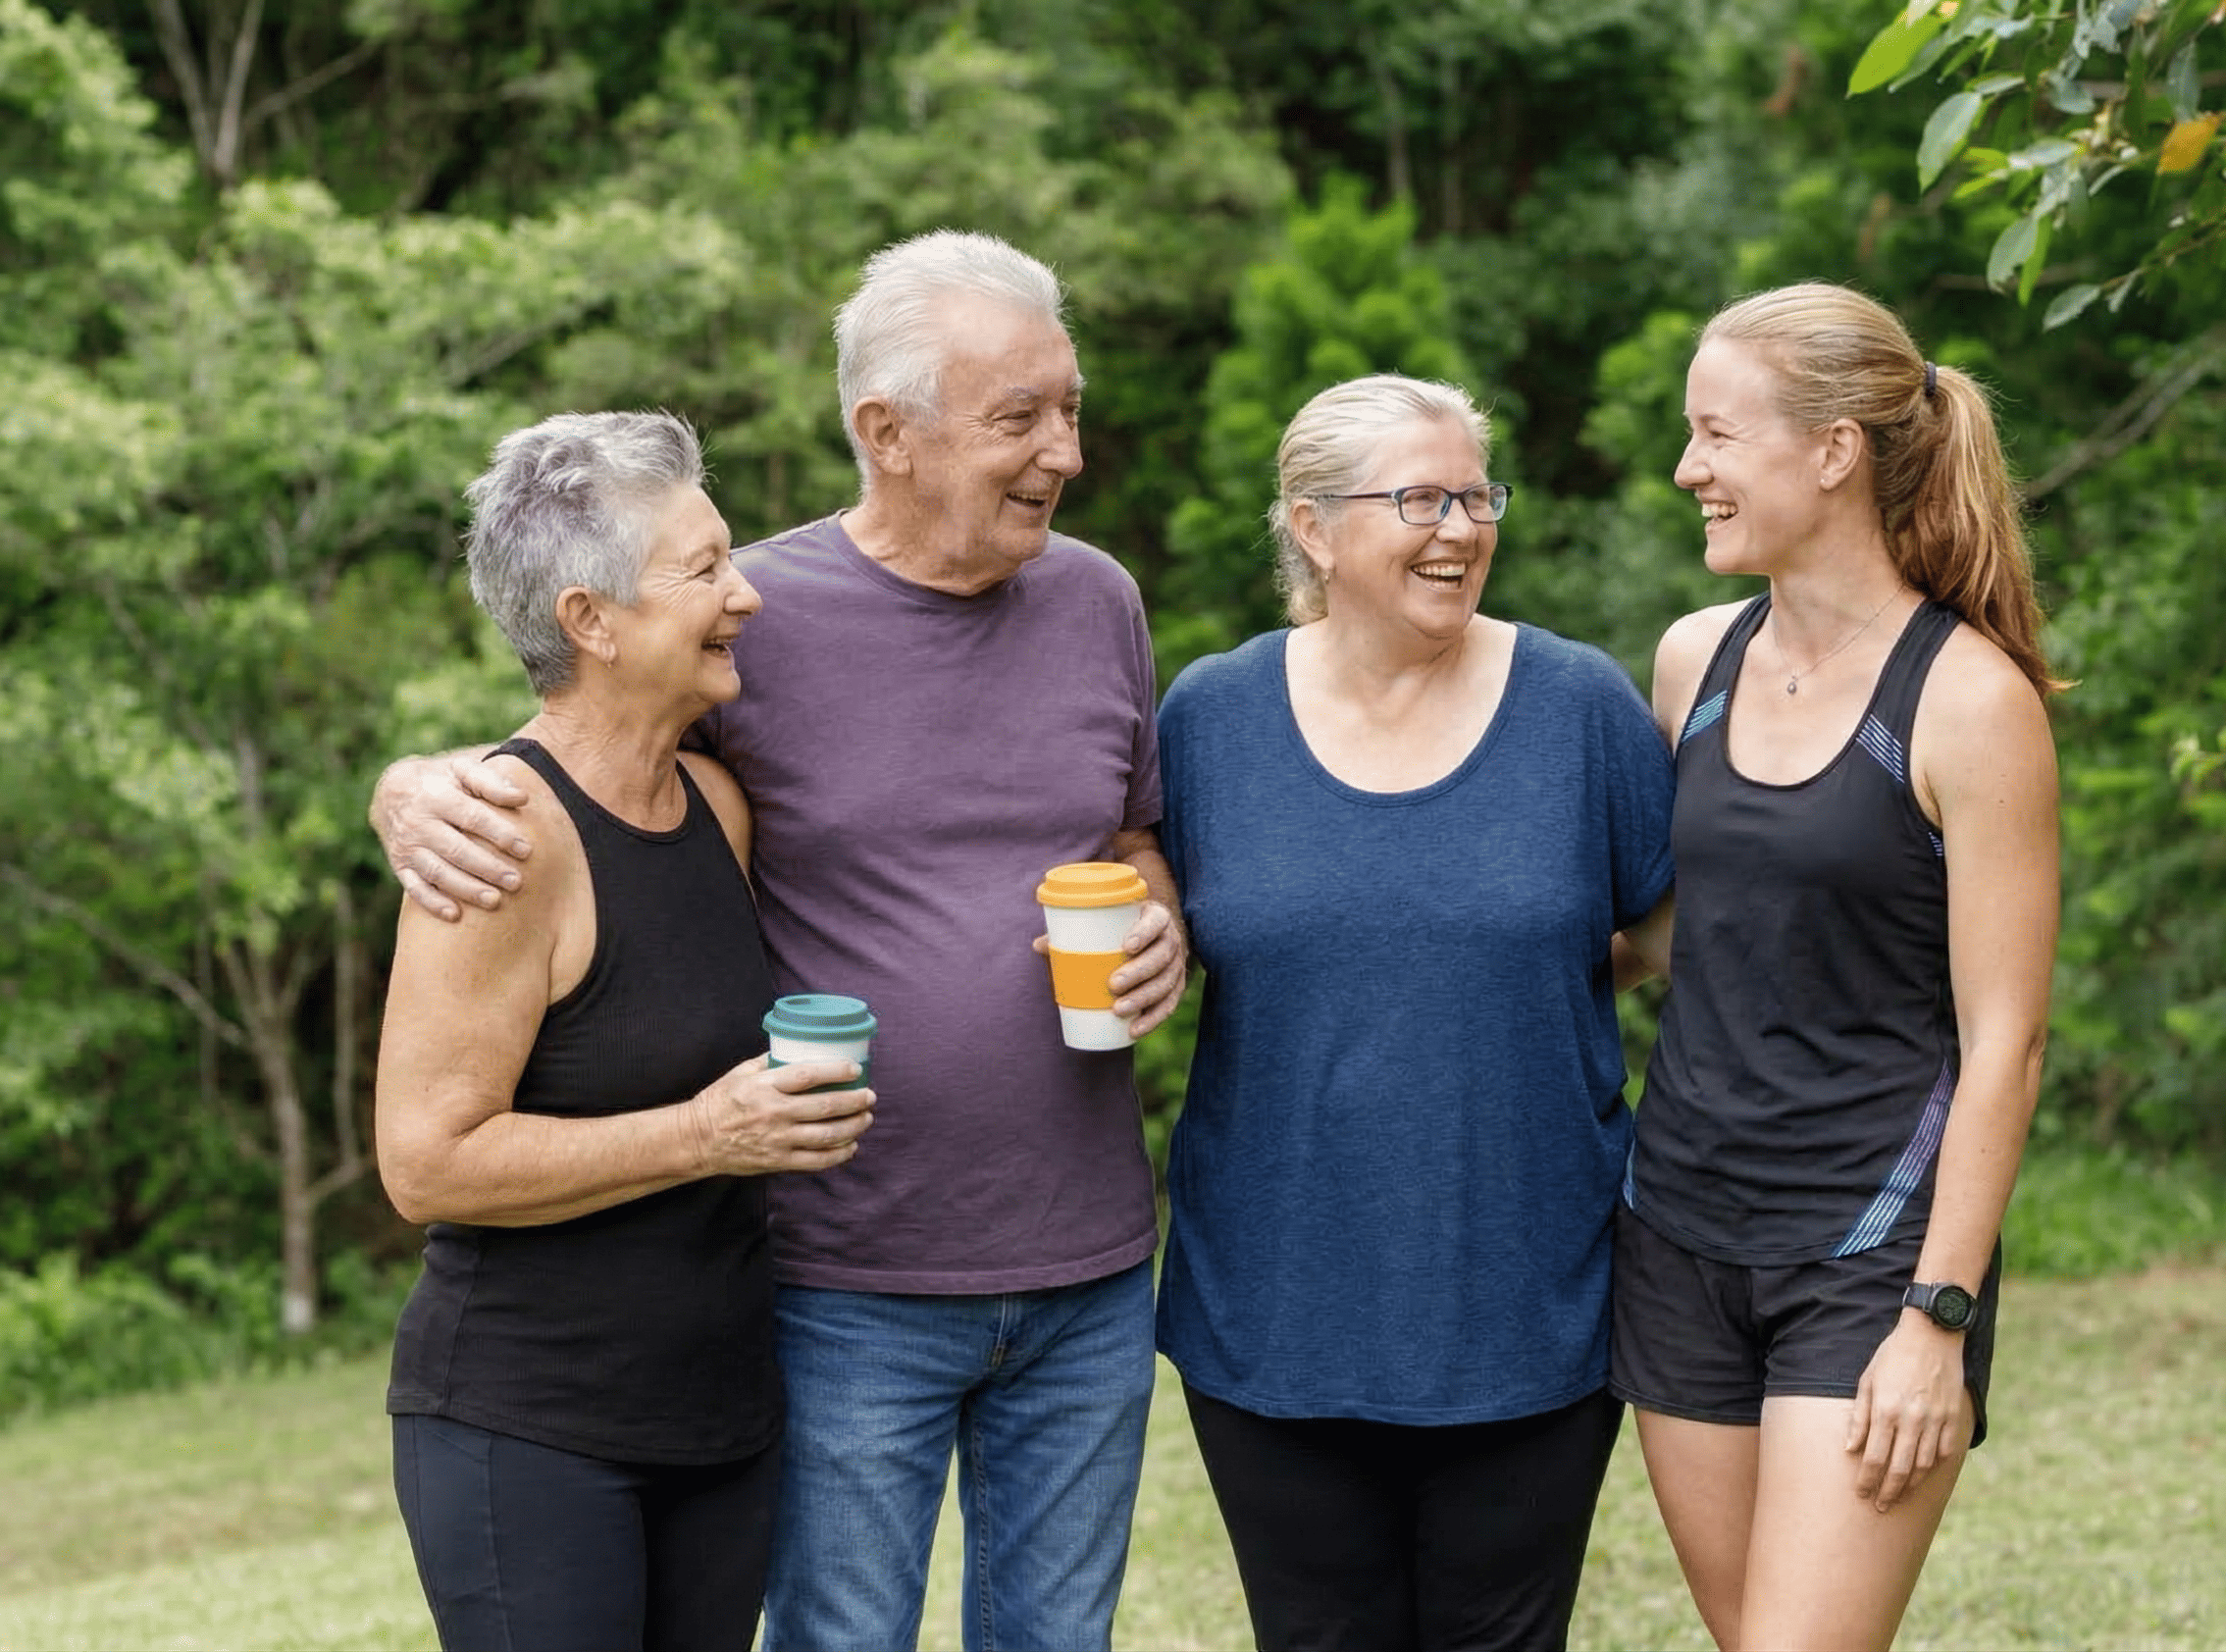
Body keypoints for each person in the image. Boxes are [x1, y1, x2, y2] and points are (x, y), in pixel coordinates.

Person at [370, 232, 1186, 1652]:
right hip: (843, 1280)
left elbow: (1129, 838)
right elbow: (577, 745)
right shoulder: (756, 618)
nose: (1065, 449)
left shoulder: (1099, 600)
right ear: (888, 434)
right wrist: (405, 786)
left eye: (1070, 407)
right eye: (1018, 419)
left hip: (1092, 1270)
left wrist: (1158, 916)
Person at [1154, 374, 1677, 1652]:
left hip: (1526, 1303)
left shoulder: (1582, 707)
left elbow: (1661, 931)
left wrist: (1513, 978)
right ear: (1315, 527)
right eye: (1420, 499)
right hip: (1275, 1309)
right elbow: (1161, 917)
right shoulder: (1208, 719)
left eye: (1475, 495)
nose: (1461, 528)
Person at [376, 410, 878, 1652]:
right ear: (590, 620)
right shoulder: (503, 836)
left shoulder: (716, 804)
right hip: (529, 1431)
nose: (746, 594)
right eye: (704, 569)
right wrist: (708, 1133)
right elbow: (425, 1161)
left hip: (720, 1426)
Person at [1611, 283, 2061, 1652]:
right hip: (1679, 1234)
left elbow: (2006, 1043)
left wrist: (1938, 1313)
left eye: (1714, 435)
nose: (1687, 468)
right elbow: (1675, 938)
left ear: (1831, 451)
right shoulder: (1696, 659)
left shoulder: (1969, 701)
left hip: (1868, 1261)